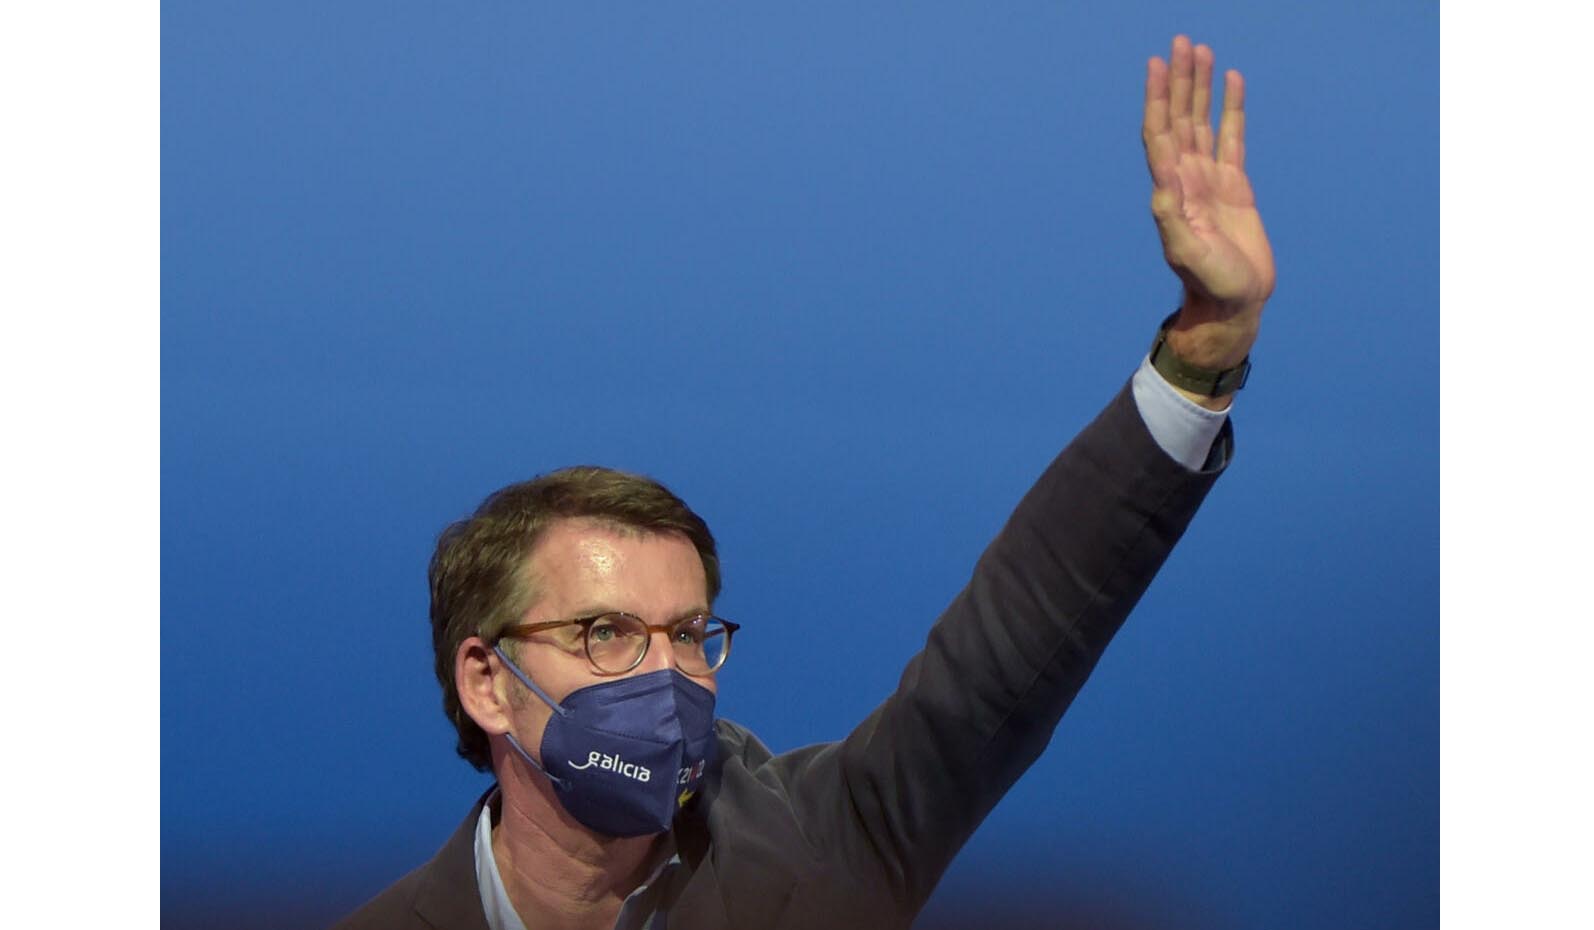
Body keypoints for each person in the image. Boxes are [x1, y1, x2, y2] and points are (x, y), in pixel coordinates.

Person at [334, 34, 1275, 930]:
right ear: (487, 682)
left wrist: (1206, 347)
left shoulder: (824, 853)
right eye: (607, 634)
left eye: (689, 635)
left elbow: (1013, 649)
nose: (666, 676)